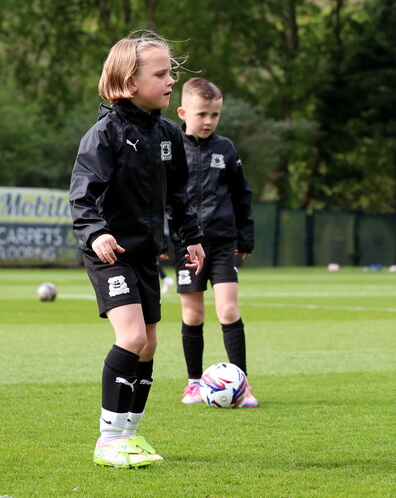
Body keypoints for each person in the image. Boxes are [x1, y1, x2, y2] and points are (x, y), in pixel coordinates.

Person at [70, 31, 205, 468]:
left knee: (147, 346)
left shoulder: (168, 133)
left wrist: (192, 238)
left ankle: (130, 436)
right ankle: (107, 441)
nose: (171, 81)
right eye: (161, 73)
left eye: (172, 73)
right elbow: (82, 197)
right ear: (129, 81)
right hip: (110, 252)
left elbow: (179, 196)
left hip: (146, 254)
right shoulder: (104, 134)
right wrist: (95, 232)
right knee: (131, 337)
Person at [173, 78, 258, 408]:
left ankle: (243, 385)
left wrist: (245, 236)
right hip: (186, 245)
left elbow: (242, 194)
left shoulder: (226, 149)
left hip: (222, 243)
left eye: (215, 115)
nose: (208, 121)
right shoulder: (171, 146)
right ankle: (194, 384)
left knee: (228, 309)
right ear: (183, 112)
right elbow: (164, 198)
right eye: (202, 114)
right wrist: (164, 240)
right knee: (193, 315)